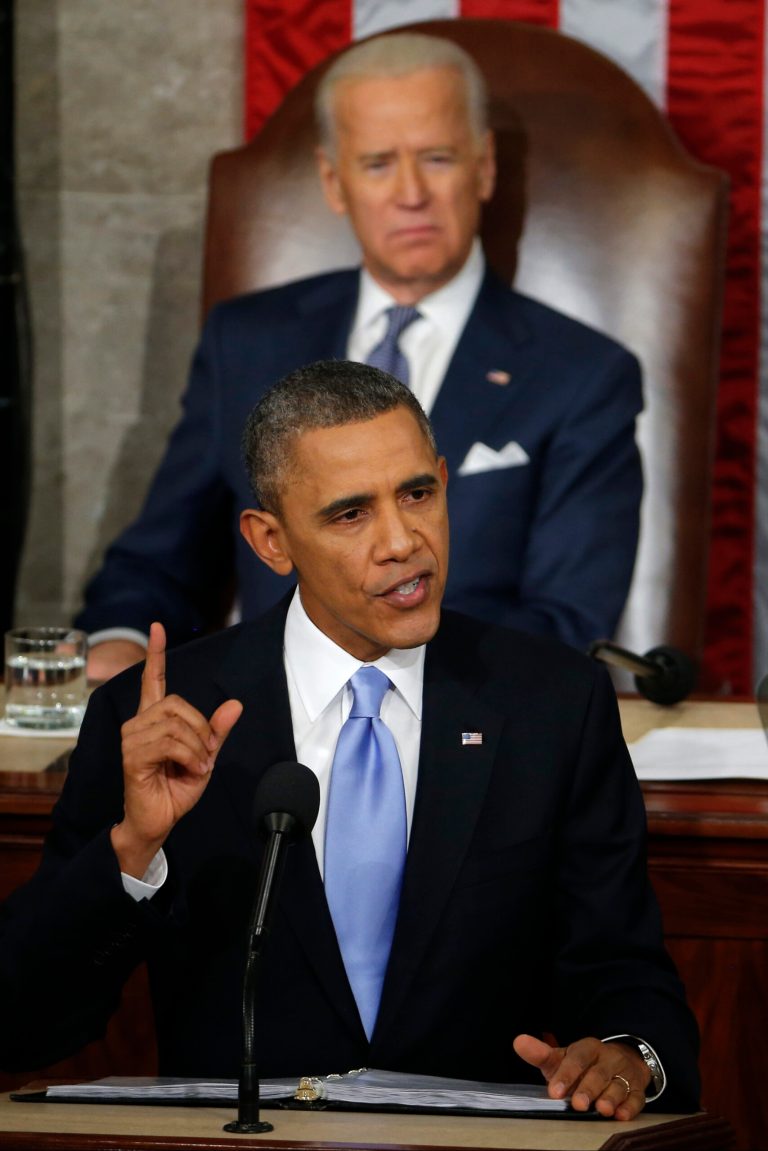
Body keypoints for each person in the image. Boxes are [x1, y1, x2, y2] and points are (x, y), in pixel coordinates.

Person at [1, 362, 697, 1119]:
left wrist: (632, 1055)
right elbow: (24, 1023)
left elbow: (623, 969)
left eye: (417, 494)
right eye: (349, 514)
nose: (403, 541)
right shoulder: (161, 716)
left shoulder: (552, 704)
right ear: (271, 540)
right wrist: (132, 851)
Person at [76, 30, 643, 684]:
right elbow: (161, 561)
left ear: (484, 166)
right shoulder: (248, 340)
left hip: (465, 733)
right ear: (334, 180)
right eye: (377, 163)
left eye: (436, 157)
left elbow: (564, 624)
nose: (410, 193)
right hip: (268, 738)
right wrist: (117, 644)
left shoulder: (582, 374)